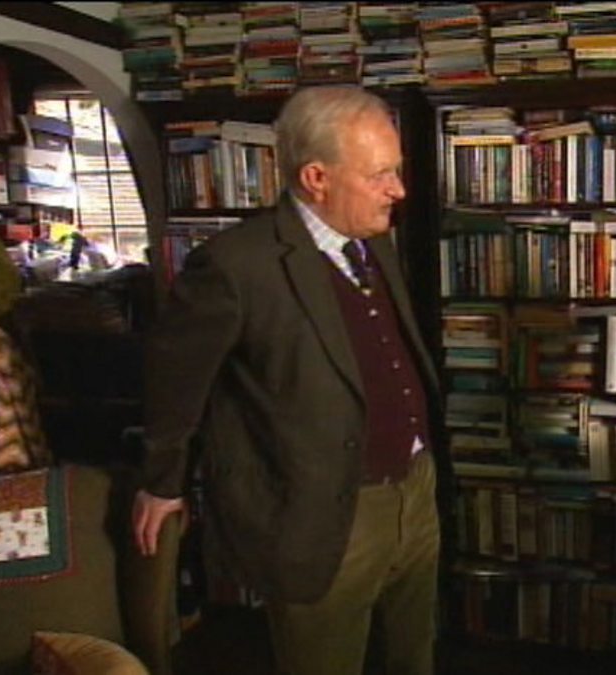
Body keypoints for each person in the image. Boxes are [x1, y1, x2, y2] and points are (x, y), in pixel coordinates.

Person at [132, 86, 446, 675]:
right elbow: (175, 382)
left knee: (413, 655)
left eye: (396, 170)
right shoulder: (234, 265)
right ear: (316, 178)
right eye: (380, 174)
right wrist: (162, 482)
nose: (399, 190)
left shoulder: (374, 239)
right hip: (322, 511)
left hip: (415, 489)